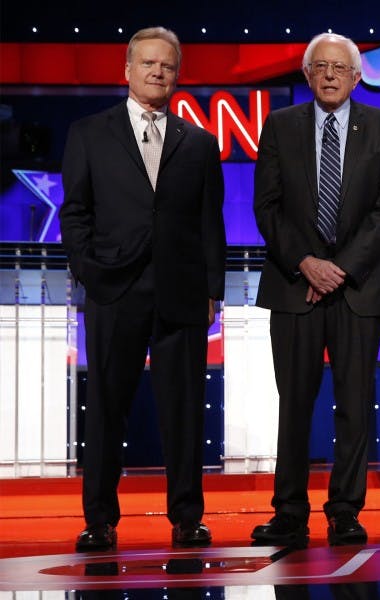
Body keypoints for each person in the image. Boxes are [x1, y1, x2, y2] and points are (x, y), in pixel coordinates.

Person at [60, 26, 226, 551]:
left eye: (167, 66)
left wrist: (212, 290)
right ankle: (100, 521)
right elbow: (76, 212)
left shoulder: (198, 142)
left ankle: (187, 518)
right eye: (148, 63)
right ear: (127, 70)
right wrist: (88, 270)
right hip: (115, 290)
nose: (158, 72)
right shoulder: (89, 132)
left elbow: (210, 223)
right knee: (107, 408)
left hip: (181, 293)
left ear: (177, 75)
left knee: (183, 409)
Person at [250, 32, 380, 546]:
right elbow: (266, 206)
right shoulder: (280, 126)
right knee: (293, 403)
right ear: (307, 75)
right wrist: (306, 263)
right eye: (322, 67)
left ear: (357, 77)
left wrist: (337, 268)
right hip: (295, 285)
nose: (332, 74)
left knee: (354, 404)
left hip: (358, 287)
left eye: (341, 67)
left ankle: (345, 510)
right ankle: (290, 512)